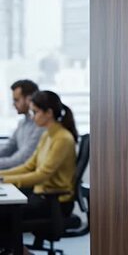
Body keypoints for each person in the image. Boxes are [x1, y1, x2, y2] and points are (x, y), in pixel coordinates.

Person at [0, 90, 78, 222]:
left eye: (35, 112)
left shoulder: (62, 138)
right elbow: (28, 166)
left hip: (54, 202)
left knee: (5, 213)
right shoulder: (47, 135)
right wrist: (2, 176)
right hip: (40, 196)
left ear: (48, 113)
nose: (32, 117)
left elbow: (41, 175)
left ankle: (15, 243)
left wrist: (4, 180)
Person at [0, 80, 45, 170]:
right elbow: (8, 148)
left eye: (16, 100)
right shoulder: (22, 124)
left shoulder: (40, 126)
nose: (13, 104)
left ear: (29, 99)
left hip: (28, 177)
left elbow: (22, 159)